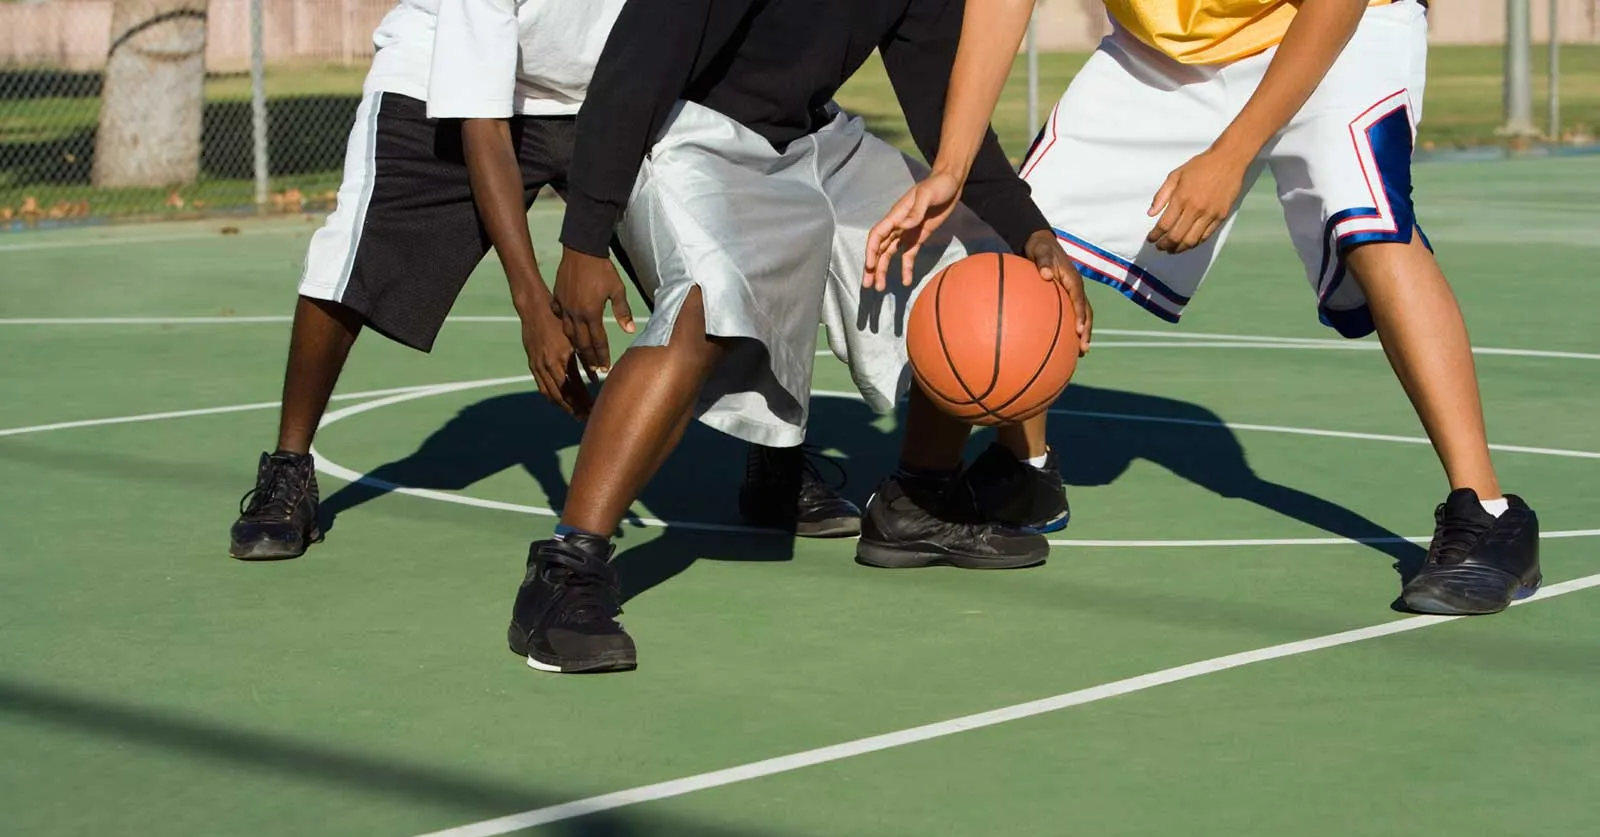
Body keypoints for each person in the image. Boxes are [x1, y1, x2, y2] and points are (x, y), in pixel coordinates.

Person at [864, 0, 1541, 616]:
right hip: (1166, 53)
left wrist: (1232, 151)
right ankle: (955, 482)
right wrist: (954, 165)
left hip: (1341, 30)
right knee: (1019, 233)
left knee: (1365, 219)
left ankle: (1487, 512)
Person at [508, 0, 1095, 675]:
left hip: (817, 142)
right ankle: (567, 568)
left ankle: (918, 499)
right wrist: (586, 237)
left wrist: (1032, 233)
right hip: (690, 133)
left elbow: (943, 102)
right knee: (706, 307)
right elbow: (636, 62)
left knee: (979, 264)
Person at [226, 0, 860, 562]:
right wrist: (533, 304)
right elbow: (482, 123)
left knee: (751, 236)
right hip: (446, 87)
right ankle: (289, 465)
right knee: (353, 257)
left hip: (621, 91)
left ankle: (776, 455)